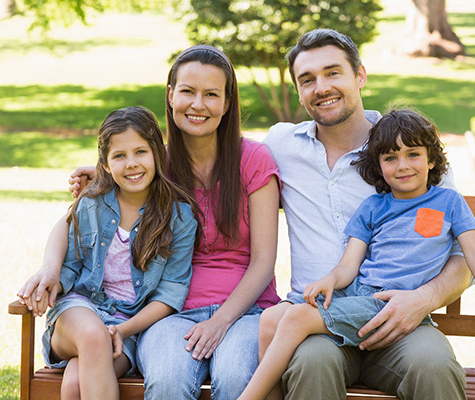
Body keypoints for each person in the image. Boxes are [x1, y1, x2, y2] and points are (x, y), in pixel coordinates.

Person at [17, 45, 281, 400]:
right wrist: (98, 180)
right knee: (168, 382)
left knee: (236, 379)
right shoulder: (157, 165)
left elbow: (264, 261)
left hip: (246, 311)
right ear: (171, 96)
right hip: (168, 315)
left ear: (227, 102)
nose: (197, 104)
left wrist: (220, 322)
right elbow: (92, 206)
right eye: (187, 91)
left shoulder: (254, 160)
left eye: (211, 94)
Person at [239, 108, 475, 400]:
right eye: (390, 158)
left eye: (413, 154)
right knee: (273, 319)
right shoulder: (373, 207)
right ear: (379, 165)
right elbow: (348, 266)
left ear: (432, 159)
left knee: (295, 318)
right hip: (361, 297)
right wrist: (330, 281)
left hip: (396, 305)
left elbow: (473, 252)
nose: (403, 165)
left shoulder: (448, 202)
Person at [261, 29, 473, 399]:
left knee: (434, 365)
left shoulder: (407, 150)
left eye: (333, 72)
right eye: (307, 79)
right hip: (318, 321)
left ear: (360, 75)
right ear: (298, 90)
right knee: (311, 364)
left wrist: (421, 299)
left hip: (400, 318)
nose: (321, 87)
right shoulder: (282, 146)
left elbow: (463, 257)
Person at [33, 106, 197, 400]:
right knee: (93, 336)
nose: (132, 164)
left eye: (140, 152)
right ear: (105, 165)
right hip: (78, 312)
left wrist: (123, 330)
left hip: (128, 328)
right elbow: (70, 267)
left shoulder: (179, 219)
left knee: (74, 384)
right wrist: (51, 281)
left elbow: (170, 295)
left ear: (158, 154)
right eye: (119, 156)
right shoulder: (92, 204)